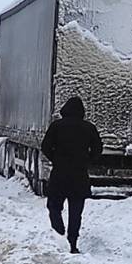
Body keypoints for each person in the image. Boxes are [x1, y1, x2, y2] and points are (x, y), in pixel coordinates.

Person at [41, 97, 102, 254]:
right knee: (76, 212)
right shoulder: (89, 128)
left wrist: (56, 159)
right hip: (79, 176)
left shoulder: (57, 126)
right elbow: (98, 149)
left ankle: (59, 229)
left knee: (54, 206)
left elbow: (45, 146)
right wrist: (86, 161)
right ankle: (72, 243)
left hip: (59, 175)